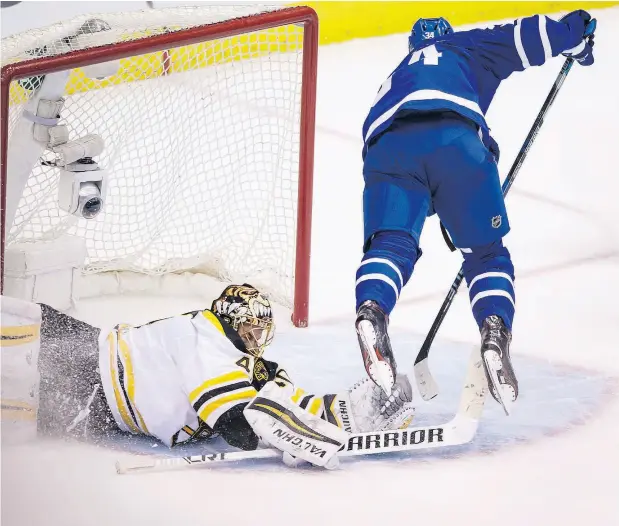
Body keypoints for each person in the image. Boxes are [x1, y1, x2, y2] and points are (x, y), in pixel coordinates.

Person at [354, 11, 596, 407]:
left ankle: (372, 310)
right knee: (485, 254)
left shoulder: (394, 77)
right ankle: (495, 331)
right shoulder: (464, 46)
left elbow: (410, 162)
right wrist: (576, 33)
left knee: (392, 245)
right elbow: (529, 35)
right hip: (457, 144)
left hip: (386, 150)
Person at [0, 285, 414, 469]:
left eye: (263, 330)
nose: (259, 338)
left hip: (95, 403)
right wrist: (281, 434)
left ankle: (352, 409)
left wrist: (340, 415)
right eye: (251, 329)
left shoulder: (240, 359)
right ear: (232, 323)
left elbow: (276, 400)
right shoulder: (205, 335)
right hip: (85, 373)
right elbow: (235, 421)